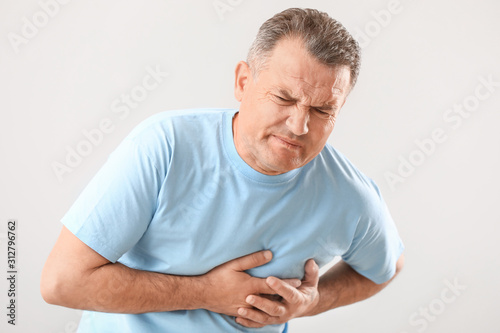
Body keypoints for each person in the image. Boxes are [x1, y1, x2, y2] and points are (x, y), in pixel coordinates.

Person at [41, 7, 404, 333]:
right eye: (284, 98)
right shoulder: (164, 146)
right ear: (243, 83)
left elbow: (386, 267)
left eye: (323, 110)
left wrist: (312, 302)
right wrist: (206, 292)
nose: (299, 125)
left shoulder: (351, 197)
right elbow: (62, 282)